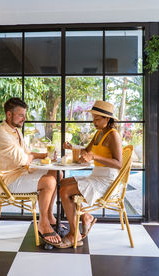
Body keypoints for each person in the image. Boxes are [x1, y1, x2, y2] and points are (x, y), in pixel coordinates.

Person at [0, 97, 63, 246]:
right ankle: (43, 223)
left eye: (24, 115)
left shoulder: (15, 131)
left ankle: (48, 215)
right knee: (49, 181)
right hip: (8, 182)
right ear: (9, 115)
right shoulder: (2, 134)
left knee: (57, 174)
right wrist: (32, 157)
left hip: (21, 174)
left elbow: (27, 153)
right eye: (21, 115)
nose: (24, 119)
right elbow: (24, 159)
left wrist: (45, 155)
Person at [58, 100, 122, 248]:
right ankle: (86, 216)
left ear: (107, 119)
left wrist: (94, 157)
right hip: (97, 175)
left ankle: (75, 233)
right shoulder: (99, 133)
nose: (94, 121)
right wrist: (71, 147)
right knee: (64, 182)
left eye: (97, 119)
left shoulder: (113, 136)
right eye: (93, 118)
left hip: (108, 180)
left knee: (65, 190)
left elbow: (119, 163)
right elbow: (86, 151)